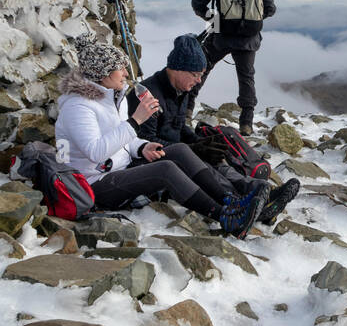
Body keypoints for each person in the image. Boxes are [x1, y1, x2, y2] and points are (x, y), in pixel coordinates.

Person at [54, 33, 265, 238]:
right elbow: (96, 152)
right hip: (93, 184)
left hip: (120, 168)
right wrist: (136, 121)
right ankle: (224, 217)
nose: (127, 74)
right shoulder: (78, 107)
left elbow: (123, 139)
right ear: (104, 73)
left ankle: (229, 201)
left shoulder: (113, 98)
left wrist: (142, 147)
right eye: (121, 69)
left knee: (180, 150)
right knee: (165, 169)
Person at [127, 33, 300, 225]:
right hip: (155, 160)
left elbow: (178, 126)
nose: (199, 81)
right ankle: (244, 203)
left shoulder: (180, 89)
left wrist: (198, 142)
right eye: (196, 75)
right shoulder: (148, 95)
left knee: (217, 159)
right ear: (177, 69)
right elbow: (144, 141)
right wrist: (194, 149)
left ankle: (259, 192)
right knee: (205, 166)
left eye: (201, 75)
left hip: (178, 150)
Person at [191, 0, 276, 135]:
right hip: (249, 39)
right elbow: (270, 8)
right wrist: (250, 20)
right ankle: (246, 123)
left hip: (222, 35)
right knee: (246, 78)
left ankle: (187, 109)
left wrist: (215, 19)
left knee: (202, 68)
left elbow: (197, 3)